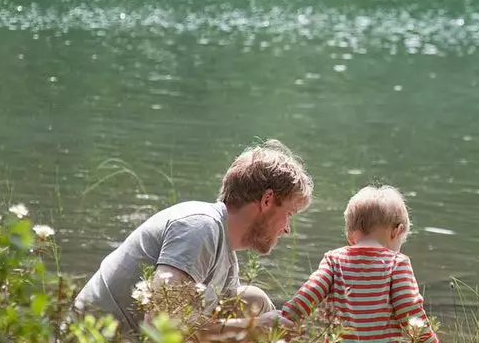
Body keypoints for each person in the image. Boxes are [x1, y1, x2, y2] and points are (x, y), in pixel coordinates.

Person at [74, 139, 314, 338]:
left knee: (253, 301)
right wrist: (251, 327)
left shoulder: (226, 257)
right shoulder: (199, 227)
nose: (287, 229)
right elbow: (159, 323)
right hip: (91, 337)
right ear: (267, 200)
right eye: (289, 214)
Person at [279, 184, 438, 342]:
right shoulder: (397, 263)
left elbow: (308, 295)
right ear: (396, 231)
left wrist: (282, 321)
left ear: (350, 235)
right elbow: (410, 313)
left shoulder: (333, 260)